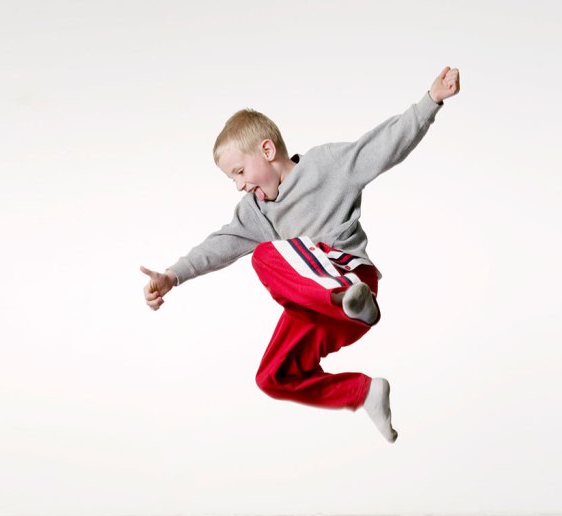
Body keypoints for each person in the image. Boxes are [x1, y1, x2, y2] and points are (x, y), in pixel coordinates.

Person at [141, 66, 462, 443]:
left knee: (264, 255)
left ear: (267, 149)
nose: (240, 185)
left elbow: (381, 147)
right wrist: (172, 275)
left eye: (240, 171)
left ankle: (344, 295)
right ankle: (364, 392)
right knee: (273, 375)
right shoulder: (256, 211)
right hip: (328, 310)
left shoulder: (325, 167)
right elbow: (221, 244)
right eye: (232, 179)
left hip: (352, 276)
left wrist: (431, 101)